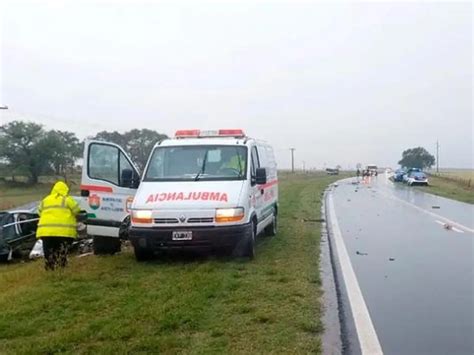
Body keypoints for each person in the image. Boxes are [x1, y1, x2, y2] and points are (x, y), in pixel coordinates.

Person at [36, 181, 80, 270]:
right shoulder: (67, 199)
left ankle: (50, 269)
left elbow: (39, 212)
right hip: (63, 232)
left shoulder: (46, 199)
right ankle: (61, 269)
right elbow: (77, 210)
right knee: (61, 251)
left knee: (48, 252)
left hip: (46, 232)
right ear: (65, 190)